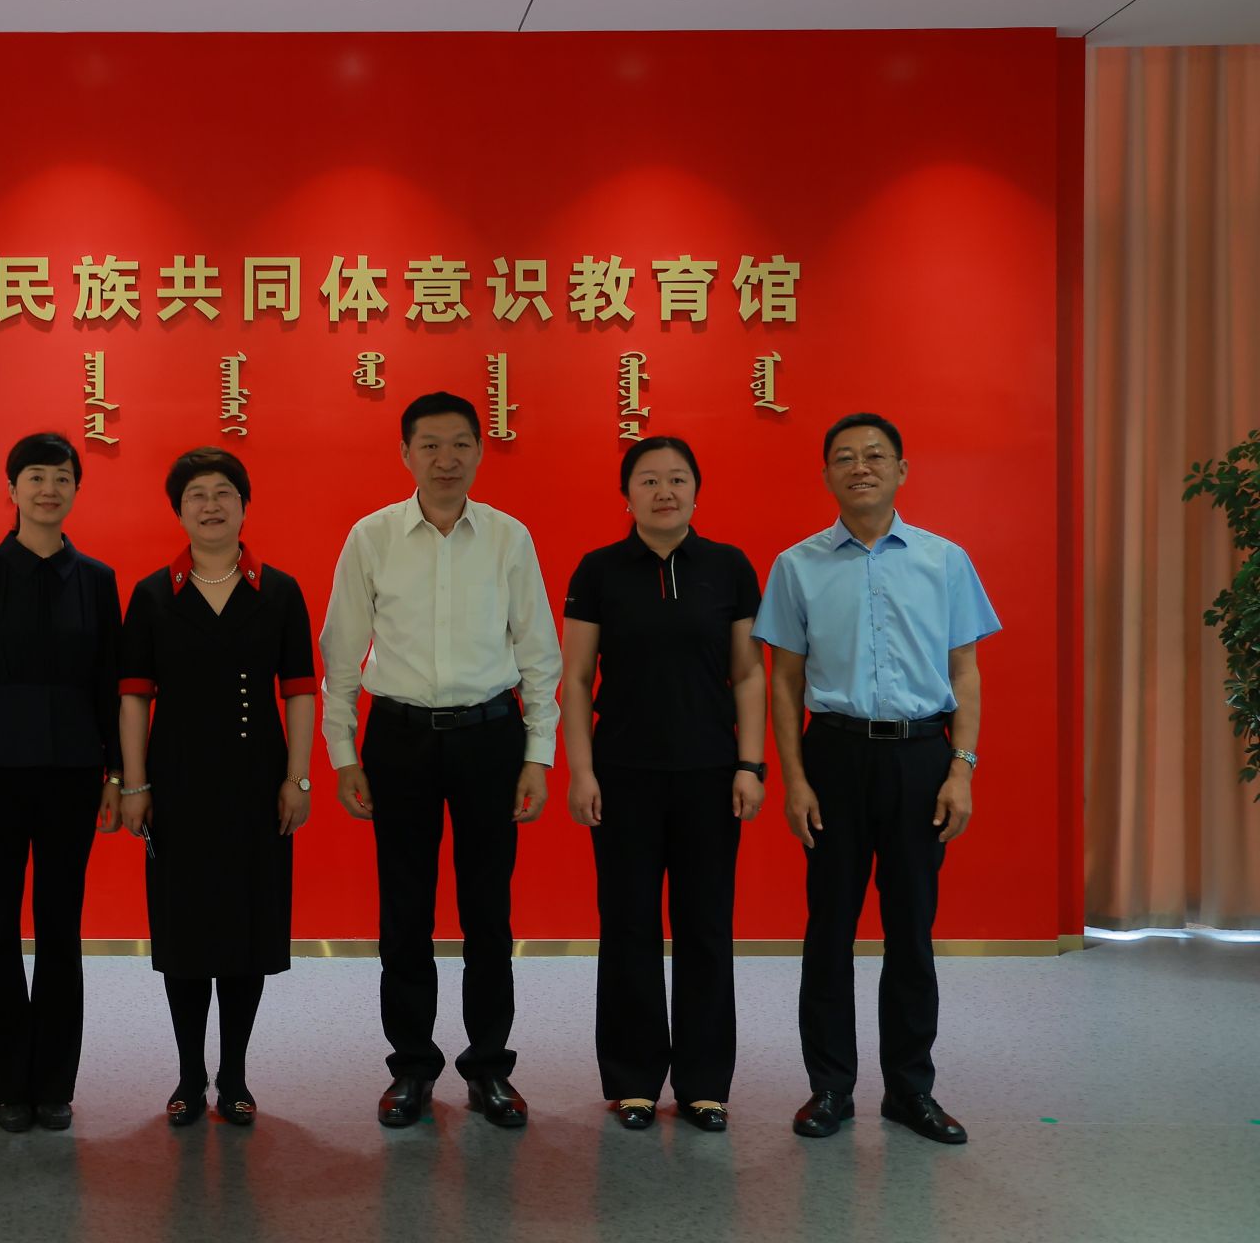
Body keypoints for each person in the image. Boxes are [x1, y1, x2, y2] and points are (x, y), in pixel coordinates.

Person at [318, 391, 563, 1129]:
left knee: (489, 911)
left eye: (460, 444)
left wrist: (539, 752)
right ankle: (411, 1066)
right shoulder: (371, 537)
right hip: (400, 739)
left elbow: (539, 653)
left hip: (491, 735)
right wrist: (342, 753)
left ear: (480, 451)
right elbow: (340, 654)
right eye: (430, 445)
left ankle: (489, 1066)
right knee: (405, 911)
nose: (446, 459)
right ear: (406, 453)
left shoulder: (509, 537)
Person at [753, 412, 999, 1146]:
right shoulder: (796, 566)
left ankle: (910, 1089)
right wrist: (795, 780)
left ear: (901, 469)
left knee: (911, 930)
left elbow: (965, 671)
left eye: (875, 456)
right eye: (844, 457)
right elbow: (784, 682)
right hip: (833, 754)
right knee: (829, 927)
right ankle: (830, 1086)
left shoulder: (944, 560)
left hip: (922, 757)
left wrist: (961, 768)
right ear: (827, 474)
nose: (860, 467)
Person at [561, 437, 766, 1134]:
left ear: (697, 490)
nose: (664, 491)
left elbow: (748, 673)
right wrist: (582, 770)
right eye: (648, 480)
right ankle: (634, 1080)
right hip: (623, 776)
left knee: (706, 926)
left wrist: (750, 764)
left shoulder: (728, 567)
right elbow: (576, 680)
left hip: (711, 775)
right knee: (629, 927)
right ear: (627, 495)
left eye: (678, 478)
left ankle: (705, 1082)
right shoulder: (598, 570)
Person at [116, 449, 317, 1127]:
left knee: (247, 928)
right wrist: (135, 783)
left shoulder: (279, 591)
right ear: (179, 510)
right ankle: (188, 1075)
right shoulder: (153, 595)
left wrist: (297, 776)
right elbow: (134, 696)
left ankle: (234, 1074)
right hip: (177, 785)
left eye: (224, 492)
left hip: (258, 783)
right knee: (183, 931)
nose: (210, 505)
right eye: (196, 494)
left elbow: (299, 691)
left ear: (244, 505)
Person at [0, 432, 123, 1134]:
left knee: (61, 925)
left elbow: (109, 682)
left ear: (76, 490)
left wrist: (118, 772)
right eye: (35, 476)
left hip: (73, 773)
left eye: (62, 477)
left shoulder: (97, 579)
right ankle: (7, 1081)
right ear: (11, 489)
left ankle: (53, 1083)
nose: (48, 489)